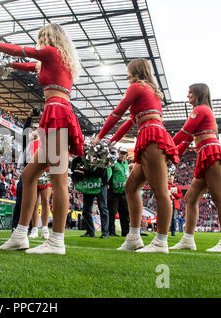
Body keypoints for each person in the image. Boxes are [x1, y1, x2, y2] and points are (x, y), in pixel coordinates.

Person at [0, 23, 84, 255]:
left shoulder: (53, 53)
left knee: (59, 181)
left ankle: (56, 241)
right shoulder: (54, 60)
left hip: (57, 113)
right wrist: (3, 64)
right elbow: (25, 64)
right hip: (55, 113)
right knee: (28, 175)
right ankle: (21, 234)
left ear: (49, 37)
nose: (39, 42)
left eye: (41, 38)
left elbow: (19, 51)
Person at [93, 58, 179, 253]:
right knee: (131, 187)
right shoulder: (150, 90)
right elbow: (129, 121)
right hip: (151, 135)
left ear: (135, 71)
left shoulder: (137, 87)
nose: (127, 75)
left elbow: (117, 113)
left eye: (128, 71)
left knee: (160, 192)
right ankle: (134, 237)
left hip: (151, 137)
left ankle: (161, 242)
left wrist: (100, 137)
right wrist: (112, 140)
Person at [170, 83, 221, 252]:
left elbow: (184, 133)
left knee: (219, 199)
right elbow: (185, 140)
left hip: (211, 154)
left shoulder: (201, 110)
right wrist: (172, 155)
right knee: (190, 198)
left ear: (198, 94)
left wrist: (167, 147)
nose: (187, 95)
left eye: (190, 92)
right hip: (204, 155)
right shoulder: (202, 111)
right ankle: (188, 239)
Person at [71, 157, 110, 239]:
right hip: (88, 185)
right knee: (86, 209)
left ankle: (105, 232)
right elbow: (73, 168)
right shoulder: (81, 158)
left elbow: (100, 173)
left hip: (100, 184)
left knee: (103, 208)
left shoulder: (101, 156)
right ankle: (90, 231)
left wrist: (84, 171)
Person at [29, 131, 52, 240]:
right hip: (35, 173)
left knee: (45, 201)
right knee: (34, 202)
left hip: (47, 173)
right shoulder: (33, 144)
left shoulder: (51, 142)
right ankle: (34, 229)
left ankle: (45, 228)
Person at [107, 147, 130, 237]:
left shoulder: (126, 164)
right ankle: (111, 231)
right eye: (121, 153)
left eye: (124, 154)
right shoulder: (113, 163)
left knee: (125, 213)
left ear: (126, 155)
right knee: (112, 212)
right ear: (117, 153)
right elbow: (109, 174)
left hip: (124, 192)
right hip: (113, 191)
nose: (122, 155)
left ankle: (125, 232)